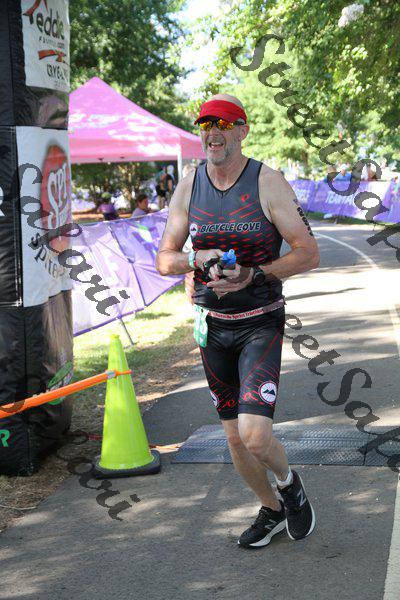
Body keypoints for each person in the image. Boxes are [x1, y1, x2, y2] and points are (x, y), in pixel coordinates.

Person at [156, 93, 319, 548]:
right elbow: (164, 259)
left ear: (243, 131)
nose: (213, 132)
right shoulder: (189, 185)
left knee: (255, 435)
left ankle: (290, 486)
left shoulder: (267, 182)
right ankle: (271, 509)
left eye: (224, 124)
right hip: (212, 326)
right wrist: (195, 258)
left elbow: (309, 253)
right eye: (206, 124)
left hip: (259, 322)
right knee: (233, 439)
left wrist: (254, 273)